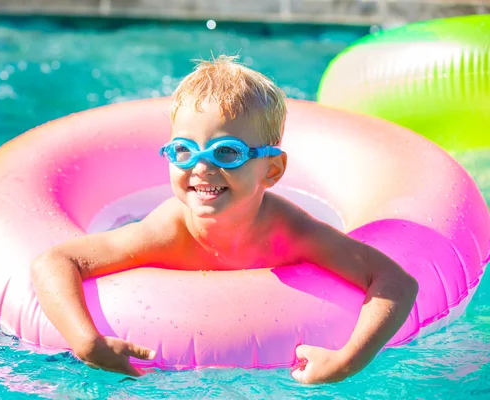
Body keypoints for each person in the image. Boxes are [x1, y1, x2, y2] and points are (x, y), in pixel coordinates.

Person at [31, 55, 418, 384]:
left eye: (227, 154)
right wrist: (86, 342)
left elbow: (395, 282)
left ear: (272, 171)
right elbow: (55, 261)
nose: (201, 167)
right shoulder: (166, 231)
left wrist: (348, 361)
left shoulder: (291, 231)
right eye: (183, 150)